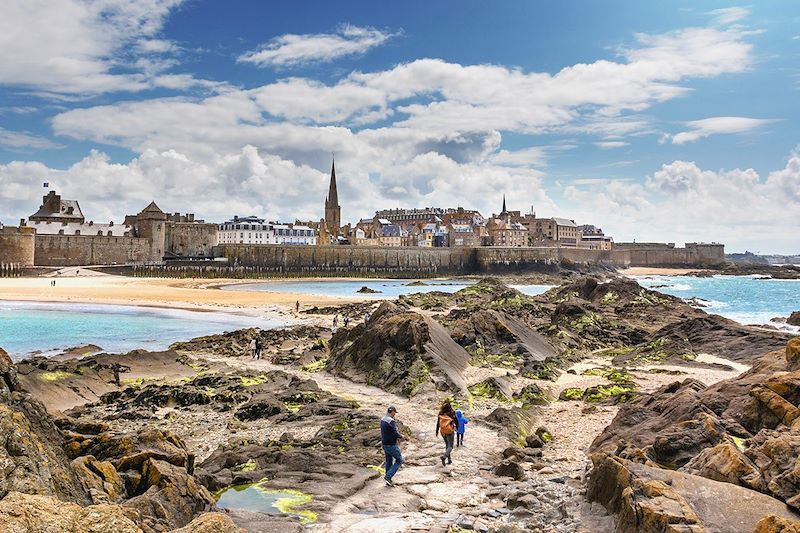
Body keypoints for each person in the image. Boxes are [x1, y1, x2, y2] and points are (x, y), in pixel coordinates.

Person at [380, 406, 403, 487]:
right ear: (392, 411)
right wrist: (401, 436)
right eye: (394, 413)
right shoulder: (391, 421)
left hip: (384, 443)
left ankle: (388, 480)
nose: (395, 414)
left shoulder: (383, 419)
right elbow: (394, 432)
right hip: (391, 444)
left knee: (389, 460)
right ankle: (388, 477)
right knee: (399, 460)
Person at [435, 401, 457, 466]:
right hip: (450, 431)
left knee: (447, 445)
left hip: (443, 431)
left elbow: (438, 423)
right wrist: (457, 428)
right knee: (450, 446)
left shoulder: (440, 413)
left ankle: (449, 460)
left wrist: (436, 431)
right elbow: (456, 421)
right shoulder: (452, 413)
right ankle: (444, 457)